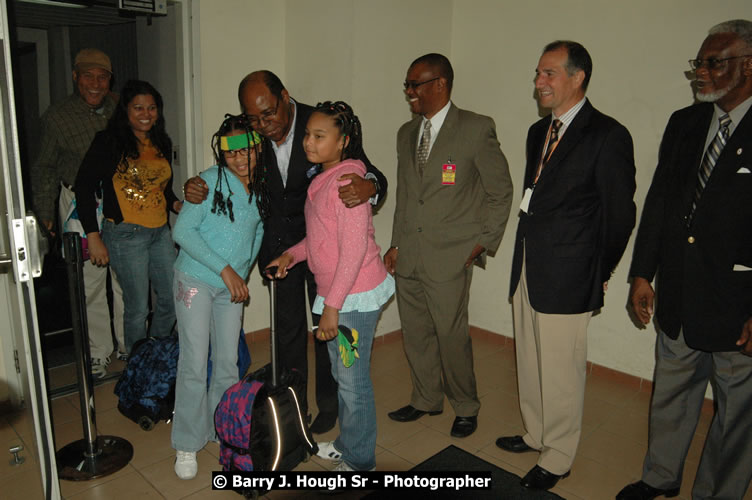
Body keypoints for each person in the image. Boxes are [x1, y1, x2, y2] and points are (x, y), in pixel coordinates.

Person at [183, 71, 388, 434]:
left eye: (269, 114)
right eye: (254, 119)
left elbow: (368, 171)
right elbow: (229, 164)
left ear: (285, 98)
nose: (263, 125)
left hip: (324, 249)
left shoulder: (318, 125)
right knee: (288, 334)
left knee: (328, 328)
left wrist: (369, 186)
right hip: (282, 251)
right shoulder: (252, 134)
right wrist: (195, 185)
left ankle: (329, 406)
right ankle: (295, 407)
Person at [617, 20, 752, 500]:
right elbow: (659, 203)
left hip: (738, 307)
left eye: (713, 63)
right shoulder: (685, 123)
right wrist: (641, 273)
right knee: (671, 396)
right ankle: (660, 477)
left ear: (749, 65)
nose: (701, 73)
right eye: (698, 63)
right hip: (677, 292)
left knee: (737, 417)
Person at [495, 41, 636, 491]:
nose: (539, 82)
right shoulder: (540, 132)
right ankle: (536, 433)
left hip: (571, 274)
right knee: (531, 361)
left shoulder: (609, 135)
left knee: (561, 371)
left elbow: (619, 216)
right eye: (538, 73)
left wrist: (601, 270)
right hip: (528, 267)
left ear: (578, 77)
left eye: (550, 73)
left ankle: (558, 456)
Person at [385, 53, 513, 439]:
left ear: (440, 84)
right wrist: (394, 244)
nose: (409, 92)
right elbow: (408, 197)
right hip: (409, 254)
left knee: (451, 336)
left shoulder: (476, 128)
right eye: (406, 85)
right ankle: (426, 398)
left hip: (452, 255)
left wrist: (482, 244)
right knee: (416, 332)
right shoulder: (406, 134)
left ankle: (466, 405)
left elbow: (500, 191)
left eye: (415, 84)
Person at [268, 101, 394, 472]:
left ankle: (361, 460)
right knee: (343, 374)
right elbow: (321, 240)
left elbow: (353, 252)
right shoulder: (324, 178)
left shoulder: (346, 183)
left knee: (353, 383)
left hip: (352, 297)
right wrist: (291, 256)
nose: (309, 142)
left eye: (320, 136)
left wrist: (332, 308)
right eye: (307, 134)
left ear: (343, 142)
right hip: (341, 294)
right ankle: (347, 442)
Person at [171, 114, 267, 480]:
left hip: (230, 287)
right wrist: (226, 269)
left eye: (246, 149)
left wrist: (241, 272)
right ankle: (186, 441)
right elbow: (183, 231)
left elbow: (256, 233)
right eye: (231, 152)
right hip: (195, 280)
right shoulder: (208, 182)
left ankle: (220, 428)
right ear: (221, 154)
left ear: (257, 146)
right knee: (194, 363)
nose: (240, 158)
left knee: (228, 362)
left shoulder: (261, 187)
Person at [30, 48, 125, 377]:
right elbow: (43, 168)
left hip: (119, 201)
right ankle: (99, 353)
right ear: (75, 77)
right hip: (75, 204)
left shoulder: (120, 110)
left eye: (103, 77)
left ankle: (128, 347)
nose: (95, 84)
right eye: (88, 76)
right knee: (90, 282)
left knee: (124, 276)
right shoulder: (57, 116)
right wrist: (44, 216)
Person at [75, 79, 182, 358]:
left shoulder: (161, 141)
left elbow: (163, 187)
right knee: (137, 307)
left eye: (152, 108)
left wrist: (176, 204)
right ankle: (137, 366)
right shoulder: (108, 142)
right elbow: (84, 187)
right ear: (125, 110)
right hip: (124, 234)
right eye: (138, 108)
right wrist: (93, 237)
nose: (146, 114)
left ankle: (153, 355)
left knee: (171, 299)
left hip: (160, 232)